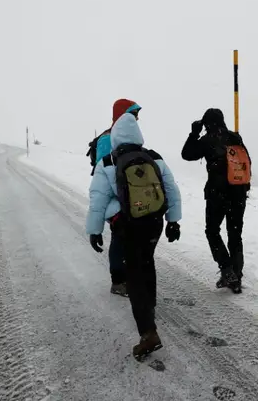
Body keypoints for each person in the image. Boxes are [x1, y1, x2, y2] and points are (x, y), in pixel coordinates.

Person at [86, 110, 182, 359]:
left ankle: (147, 331)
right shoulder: (154, 158)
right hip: (154, 223)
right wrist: (173, 221)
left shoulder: (107, 162)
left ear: (116, 136)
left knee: (135, 274)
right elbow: (172, 190)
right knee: (147, 263)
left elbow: (97, 200)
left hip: (128, 225)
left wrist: (95, 230)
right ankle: (148, 307)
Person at [181, 108, 251, 293]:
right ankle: (236, 276)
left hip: (217, 194)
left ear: (206, 123)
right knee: (235, 234)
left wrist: (194, 133)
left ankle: (227, 270)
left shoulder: (207, 140)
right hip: (238, 193)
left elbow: (187, 154)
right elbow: (247, 161)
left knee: (212, 231)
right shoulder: (235, 138)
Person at [85, 99, 142, 296]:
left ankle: (130, 277)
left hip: (131, 200)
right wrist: (96, 227)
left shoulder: (128, 135)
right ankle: (118, 281)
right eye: (133, 113)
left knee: (131, 241)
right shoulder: (107, 139)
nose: (137, 117)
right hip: (116, 203)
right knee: (120, 239)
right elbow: (104, 179)